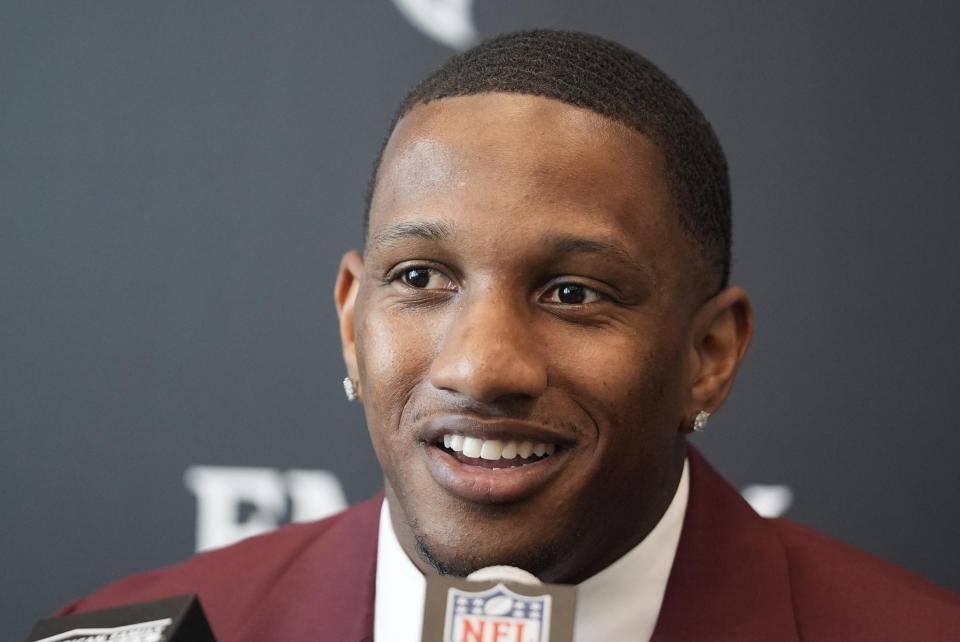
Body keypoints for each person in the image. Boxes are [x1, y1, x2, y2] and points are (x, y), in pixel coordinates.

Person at [58, 29, 960, 641]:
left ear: (707, 357)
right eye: (419, 279)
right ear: (350, 317)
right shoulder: (137, 627)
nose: (482, 367)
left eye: (573, 293)